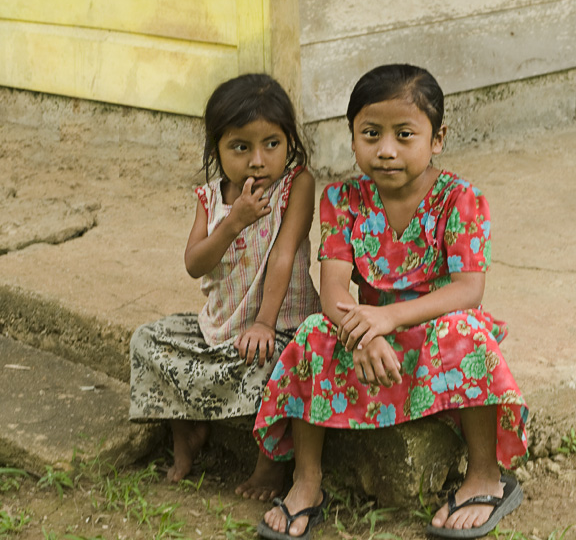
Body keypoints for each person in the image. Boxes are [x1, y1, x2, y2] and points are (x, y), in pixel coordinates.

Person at [254, 64, 528, 539]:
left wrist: (385, 318)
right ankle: (307, 479)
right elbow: (335, 289)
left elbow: (467, 289)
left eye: (405, 135)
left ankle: (485, 475)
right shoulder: (342, 199)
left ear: (437, 138)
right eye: (370, 134)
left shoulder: (461, 199)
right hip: (370, 346)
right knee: (313, 333)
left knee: (468, 331)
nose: (385, 150)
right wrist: (360, 331)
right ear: (352, 136)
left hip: (434, 343)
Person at [130, 73, 320, 501]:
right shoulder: (210, 198)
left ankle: (270, 465)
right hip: (218, 330)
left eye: (271, 143)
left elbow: (283, 255)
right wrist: (233, 221)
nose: (258, 160)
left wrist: (265, 324)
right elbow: (195, 264)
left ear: (289, 141)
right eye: (240, 147)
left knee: (286, 366)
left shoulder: (297, 186)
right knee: (146, 340)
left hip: (280, 328)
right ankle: (187, 431)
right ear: (216, 147)